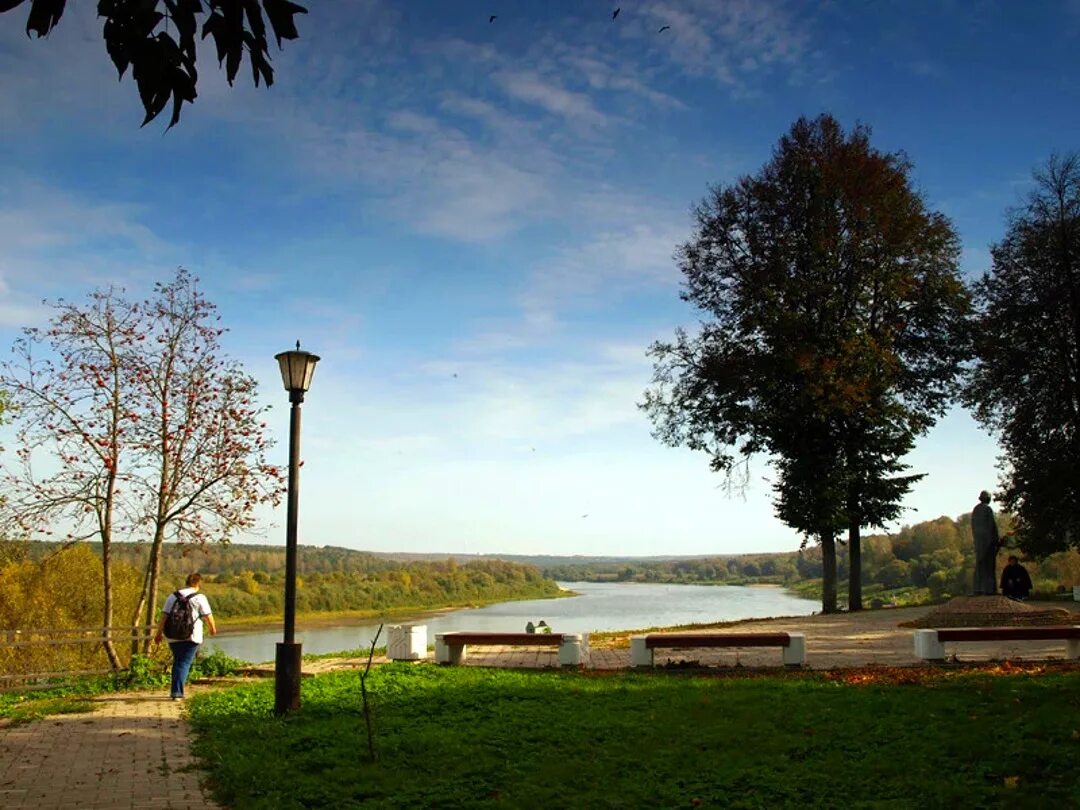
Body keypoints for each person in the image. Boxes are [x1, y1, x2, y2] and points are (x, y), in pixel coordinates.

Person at [154, 573, 216, 700]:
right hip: (192, 636)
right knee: (183, 662)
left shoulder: (173, 596)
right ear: (198, 583)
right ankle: (177, 693)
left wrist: (159, 633)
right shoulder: (199, 597)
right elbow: (208, 616)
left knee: (179, 661)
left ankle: (176, 691)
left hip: (173, 635)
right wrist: (212, 629)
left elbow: (164, 616)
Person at [971, 491, 1002, 595]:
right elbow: (992, 527)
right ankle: (990, 589)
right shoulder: (987, 509)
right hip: (988, 543)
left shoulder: (976, 510)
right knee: (989, 567)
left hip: (979, 543)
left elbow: (973, 527)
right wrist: (996, 541)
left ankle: (978, 588)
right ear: (987, 498)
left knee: (980, 566)